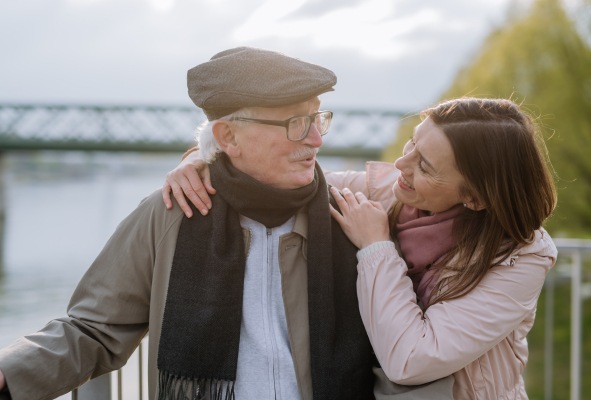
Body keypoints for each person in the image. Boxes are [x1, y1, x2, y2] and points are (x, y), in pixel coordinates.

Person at [0, 47, 453, 400]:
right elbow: (93, 330)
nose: (315, 138)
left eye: (318, 118)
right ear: (228, 137)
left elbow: (404, 358)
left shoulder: (358, 219)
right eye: (296, 122)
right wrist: (9, 371)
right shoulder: (168, 215)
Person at [163, 97, 557, 399]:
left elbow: (410, 359)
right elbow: (278, 177)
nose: (401, 165)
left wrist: (375, 245)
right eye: (412, 143)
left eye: (425, 167)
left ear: (475, 198)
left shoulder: (522, 258)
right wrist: (204, 156)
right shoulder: (387, 191)